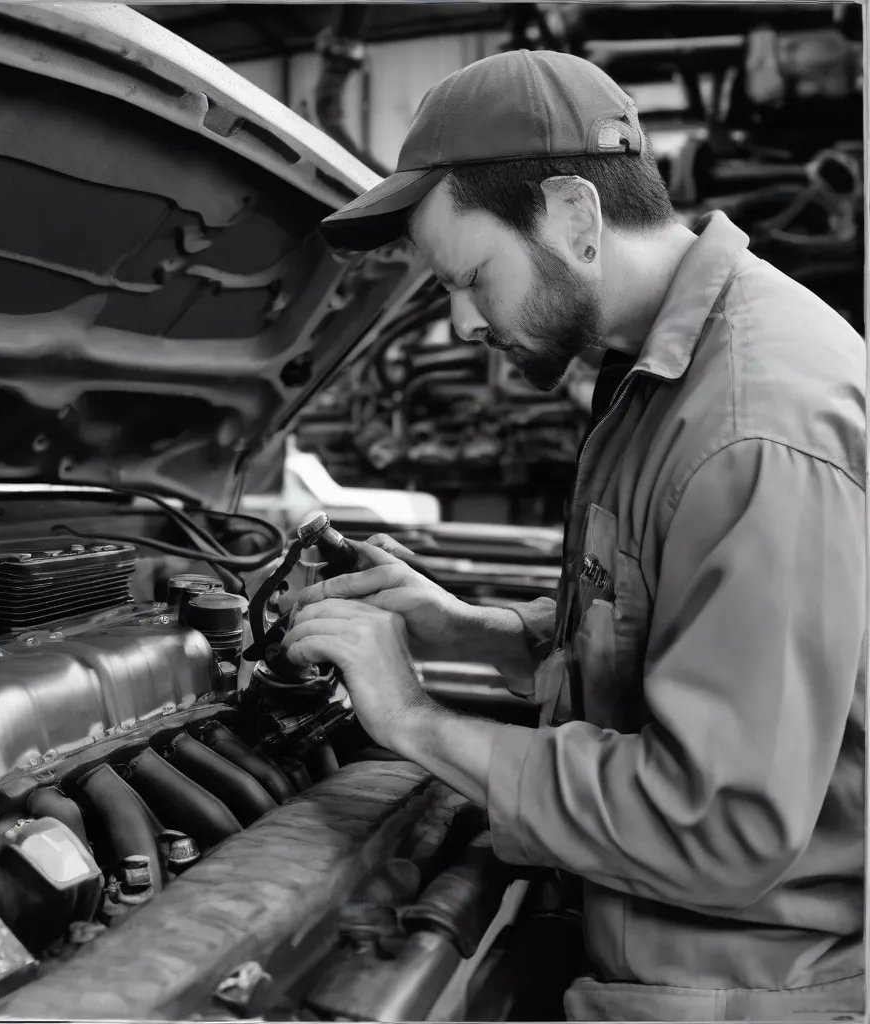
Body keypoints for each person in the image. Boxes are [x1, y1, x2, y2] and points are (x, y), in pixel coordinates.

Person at [281, 50, 867, 1021]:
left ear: (574, 218)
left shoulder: (750, 422)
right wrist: (474, 630)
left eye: (470, 278)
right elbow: (668, 639)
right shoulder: (662, 374)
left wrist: (415, 721)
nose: (463, 321)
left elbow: (719, 820)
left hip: (743, 987)